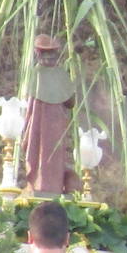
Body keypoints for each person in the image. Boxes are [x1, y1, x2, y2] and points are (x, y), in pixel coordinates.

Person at [21, 34, 80, 196]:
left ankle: (53, 186)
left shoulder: (60, 74)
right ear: (38, 54)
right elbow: (30, 105)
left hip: (56, 124)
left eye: (52, 54)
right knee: (37, 151)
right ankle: (37, 184)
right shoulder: (35, 74)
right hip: (39, 124)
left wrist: (69, 86)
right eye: (45, 54)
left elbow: (70, 101)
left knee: (54, 154)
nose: (49, 58)